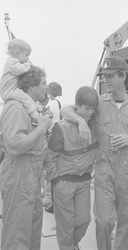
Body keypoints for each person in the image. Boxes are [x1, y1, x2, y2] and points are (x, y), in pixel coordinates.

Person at [60, 56, 128, 250]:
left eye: (110, 76)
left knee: (125, 223)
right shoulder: (99, 104)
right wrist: (81, 122)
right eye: (104, 76)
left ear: (123, 76)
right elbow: (66, 111)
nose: (105, 80)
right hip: (104, 171)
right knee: (104, 221)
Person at [0, 66, 52, 250]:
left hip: (31, 175)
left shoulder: (31, 109)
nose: (47, 87)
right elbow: (14, 147)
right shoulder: (16, 108)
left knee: (31, 231)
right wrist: (41, 128)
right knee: (17, 234)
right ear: (31, 86)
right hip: (19, 175)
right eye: (43, 83)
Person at [44, 86, 99, 250]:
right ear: (77, 106)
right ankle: (68, 247)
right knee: (65, 224)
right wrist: (56, 181)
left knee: (84, 220)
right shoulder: (61, 128)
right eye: (86, 108)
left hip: (83, 182)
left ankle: (73, 244)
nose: (90, 112)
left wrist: (84, 121)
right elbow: (49, 158)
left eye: (92, 109)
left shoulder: (94, 124)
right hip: (63, 183)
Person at [0, 38, 41, 125]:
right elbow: (20, 69)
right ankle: (35, 116)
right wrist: (28, 65)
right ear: (17, 53)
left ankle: (37, 107)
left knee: (25, 97)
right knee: (25, 97)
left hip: (9, 90)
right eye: (26, 55)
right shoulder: (12, 62)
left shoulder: (11, 62)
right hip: (9, 91)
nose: (27, 58)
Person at [43, 82, 70, 212]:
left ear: (50, 92)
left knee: (50, 168)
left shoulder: (51, 104)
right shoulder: (69, 102)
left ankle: (49, 199)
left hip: (54, 139)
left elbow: (45, 122)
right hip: (67, 139)